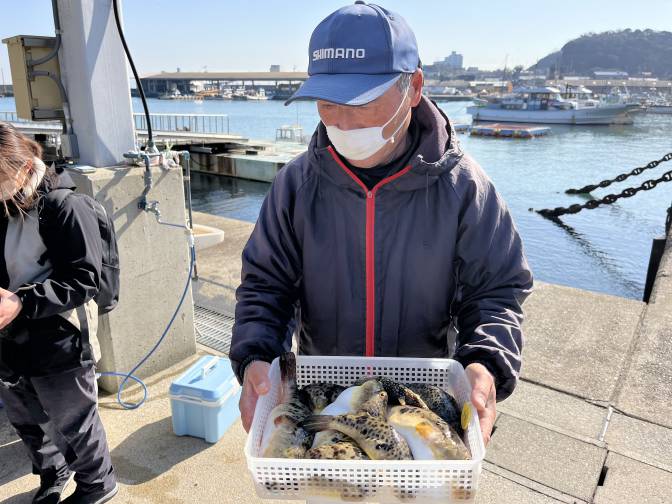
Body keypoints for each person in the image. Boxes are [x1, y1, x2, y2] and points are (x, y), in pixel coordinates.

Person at [230, 1, 533, 446]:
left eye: (363, 101)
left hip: (422, 400)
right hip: (324, 397)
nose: (341, 120)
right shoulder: (295, 185)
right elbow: (265, 285)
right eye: (327, 102)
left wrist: (485, 363)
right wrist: (257, 357)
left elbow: (496, 291)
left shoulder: (465, 188)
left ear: (414, 87)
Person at [0, 122, 117, 504]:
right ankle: (53, 472)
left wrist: (22, 302)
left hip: (59, 339)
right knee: (26, 416)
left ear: (22, 168)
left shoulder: (65, 206)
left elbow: (84, 279)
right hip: (10, 339)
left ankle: (98, 484)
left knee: (74, 420)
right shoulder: (6, 202)